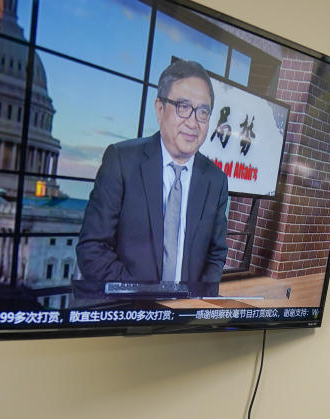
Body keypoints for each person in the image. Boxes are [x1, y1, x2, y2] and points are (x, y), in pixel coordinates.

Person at [76, 59, 229, 297]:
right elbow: (92, 248)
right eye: (183, 106)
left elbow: (216, 254)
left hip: (184, 321)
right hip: (127, 315)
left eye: (203, 112)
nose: (193, 121)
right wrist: (143, 300)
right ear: (160, 108)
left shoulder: (216, 180)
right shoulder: (121, 161)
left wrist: (198, 300)